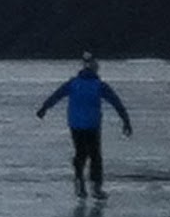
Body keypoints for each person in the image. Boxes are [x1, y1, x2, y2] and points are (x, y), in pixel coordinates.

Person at [36, 52, 133, 199]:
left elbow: (56, 95)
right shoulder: (99, 85)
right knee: (95, 155)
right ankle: (96, 187)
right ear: (95, 70)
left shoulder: (73, 84)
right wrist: (126, 120)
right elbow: (116, 102)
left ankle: (79, 181)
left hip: (75, 124)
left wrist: (44, 108)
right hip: (92, 125)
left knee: (81, 152)